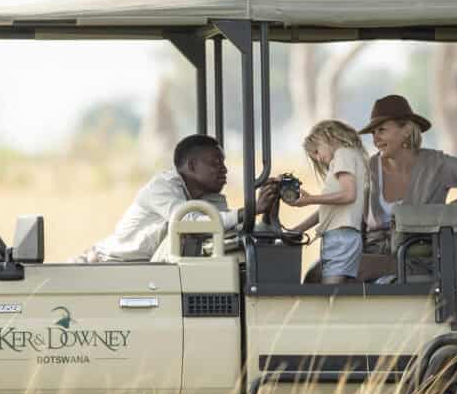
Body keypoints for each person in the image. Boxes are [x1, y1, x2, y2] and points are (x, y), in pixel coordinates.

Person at [358, 94, 457, 279]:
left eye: (381, 130)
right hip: (374, 256)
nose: (375, 139)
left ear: (406, 130)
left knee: (350, 267)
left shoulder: (437, 165)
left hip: (418, 259)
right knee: (325, 269)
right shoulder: (367, 169)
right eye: (373, 132)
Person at [77, 134, 274, 262]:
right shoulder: (162, 187)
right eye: (215, 163)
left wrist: (269, 210)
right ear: (192, 166)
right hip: (105, 265)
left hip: (142, 271)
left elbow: (227, 229)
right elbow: (193, 223)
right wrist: (251, 209)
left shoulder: (208, 196)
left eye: (223, 163)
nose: (224, 169)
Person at [285, 120, 369, 285]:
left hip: (340, 237)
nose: (319, 159)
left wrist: (310, 200)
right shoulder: (350, 157)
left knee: (330, 292)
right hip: (341, 236)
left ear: (329, 137)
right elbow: (330, 208)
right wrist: (298, 229)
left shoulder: (343, 155)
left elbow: (348, 195)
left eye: (317, 151)